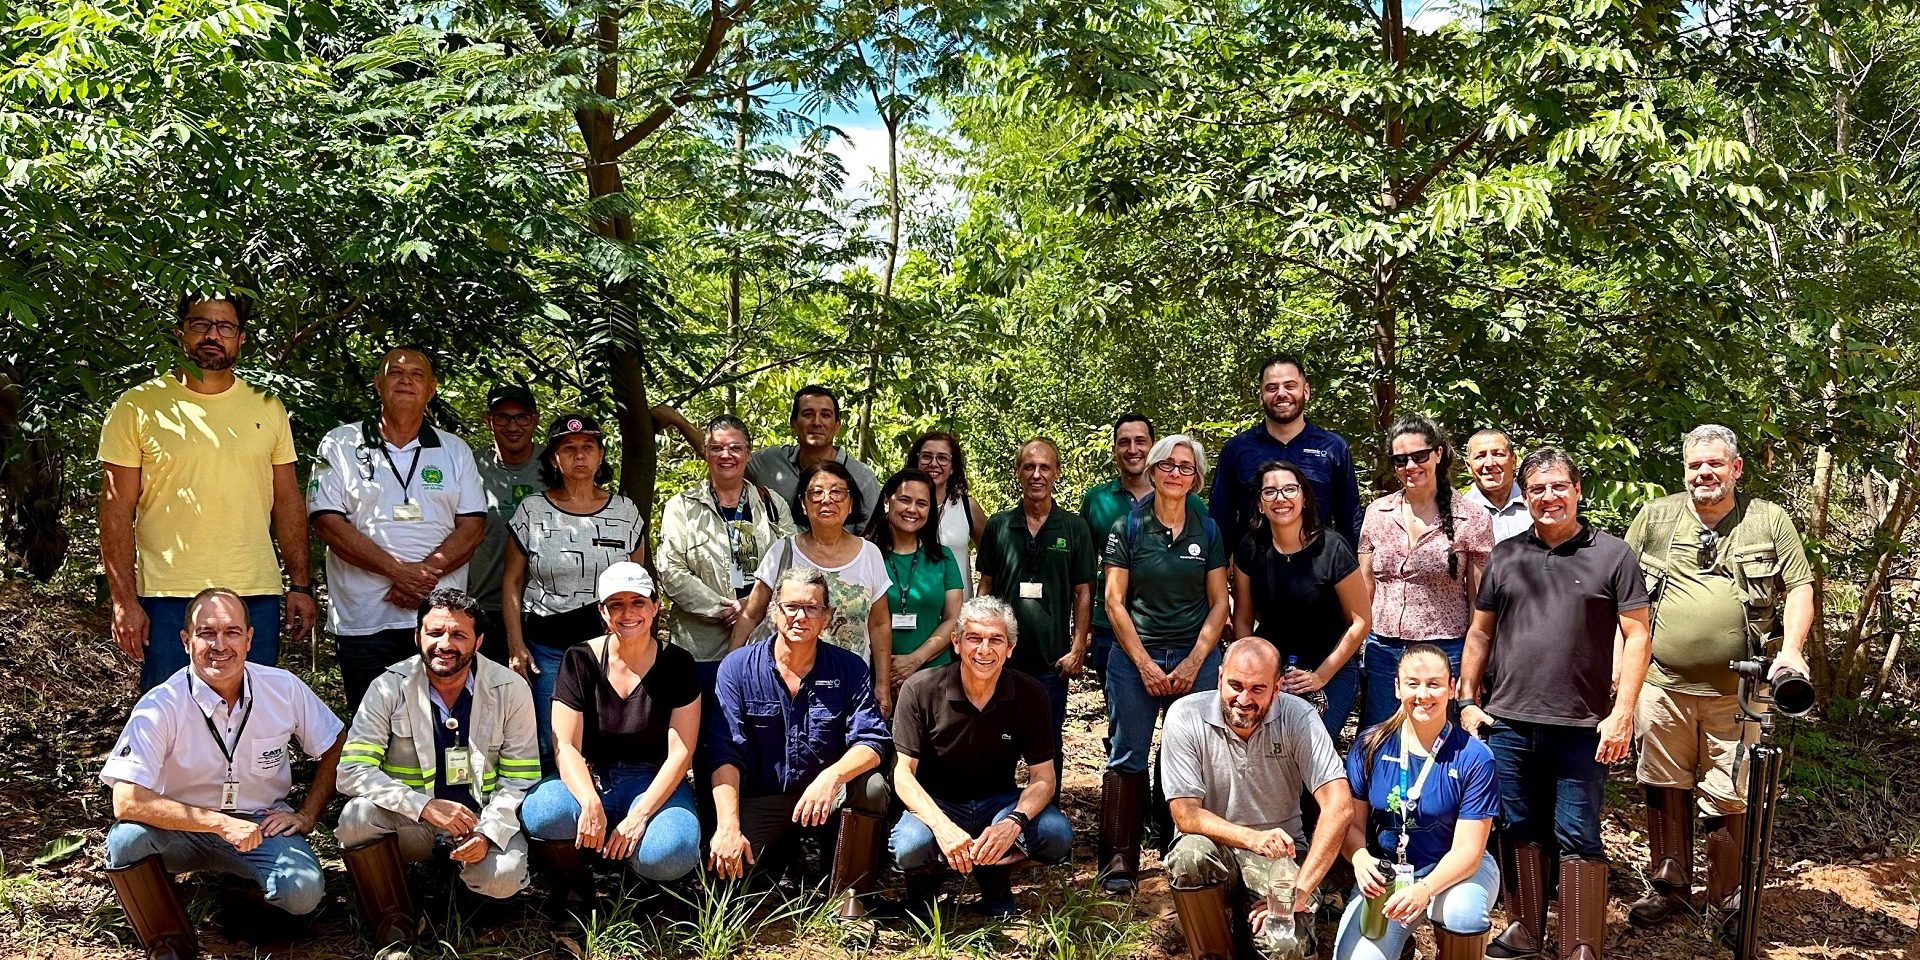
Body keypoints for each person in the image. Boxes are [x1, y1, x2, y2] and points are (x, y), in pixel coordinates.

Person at [1459, 447, 1652, 960]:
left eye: (1558, 487)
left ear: (1577, 491)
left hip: (1583, 724)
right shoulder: (1507, 556)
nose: (1548, 497)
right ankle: (1525, 932)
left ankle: (1581, 943)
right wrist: (1466, 699)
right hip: (1508, 722)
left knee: (1577, 832)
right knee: (1519, 826)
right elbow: (1480, 634)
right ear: (1527, 496)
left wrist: (1623, 714)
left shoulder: (1613, 555)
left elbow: (1637, 636)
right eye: (1537, 489)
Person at [1621, 424, 1813, 934]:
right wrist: (1620, 677)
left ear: (1736, 468)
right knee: (1662, 782)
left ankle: (1727, 899)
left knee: (1730, 792)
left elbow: (1799, 588)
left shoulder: (1767, 521)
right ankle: (1670, 890)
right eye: (1694, 465)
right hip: (1661, 686)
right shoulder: (1655, 518)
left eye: (1714, 463)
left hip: (1740, 692)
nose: (1703, 473)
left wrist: (1791, 648)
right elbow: (1618, 591)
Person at [100, 588, 344, 960]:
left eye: (231, 632)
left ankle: (241, 891)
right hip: (181, 828)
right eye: (206, 633)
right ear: (186, 641)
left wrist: (307, 814)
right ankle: (167, 936)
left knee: (302, 891)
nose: (219, 645)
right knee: (126, 842)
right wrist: (218, 824)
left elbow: (336, 743)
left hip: (258, 824)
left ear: (249, 639)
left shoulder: (282, 688)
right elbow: (126, 800)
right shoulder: (161, 703)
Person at [100, 294, 316, 693]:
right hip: (168, 595)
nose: (212, 335)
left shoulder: (267, 407)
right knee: (171, 719)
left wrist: (299, 585)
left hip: (254, 592)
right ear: (180, 331)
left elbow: (287, 501)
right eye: (200, 324)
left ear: (241, 338)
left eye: (225, 327)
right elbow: (116, 509)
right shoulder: (137, 406)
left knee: (253, 713)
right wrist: (123, 601)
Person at [334, 590, 538, 951]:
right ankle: (394, 920)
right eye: (434, 633)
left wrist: (489, 833)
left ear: (478, 641)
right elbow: (351, 770)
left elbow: (520, 778)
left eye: (458, 635)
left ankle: (462, 903)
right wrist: (423, 806)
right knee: (356, 817)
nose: (445, 644)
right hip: (415, 822)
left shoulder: (510, 688)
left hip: (478, 820)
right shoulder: (387, 687)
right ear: (417, 636)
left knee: (504, 878)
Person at [707, 566, 893, 918]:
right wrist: (728, 827)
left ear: (827, 617)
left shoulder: (849, 668)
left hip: (828, 798)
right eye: (791, 606)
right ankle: (782, 859)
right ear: (774, 611)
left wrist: (830, 778)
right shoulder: (736, 668)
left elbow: (872, 741)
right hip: (764, 796)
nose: (800, 617)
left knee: (871, 787)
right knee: (731, 891)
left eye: (812, 608)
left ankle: (849, 894)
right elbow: (723, 752)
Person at [310, 347, 486, 711]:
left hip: (440, 622)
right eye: (396, 372)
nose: (406, 380)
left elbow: (472, 526)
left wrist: (422, 577)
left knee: (441, 718)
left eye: (417, 374)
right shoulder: (340, 443)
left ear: (432, 388)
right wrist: (398, 573)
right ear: (378, 384)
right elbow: (327, 522)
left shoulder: (454, 450)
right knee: (372, 722)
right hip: (363, 619)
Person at [1159, 638, 1350, 960]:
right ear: (1219, 677)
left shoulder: (1299, 717)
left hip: (1279, 856)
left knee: (1287, 946)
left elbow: (1340, 805)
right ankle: (1212, 951)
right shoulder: (1185, 715)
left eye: (1258, 689)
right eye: (1235, 685)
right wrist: (1253, 838)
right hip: (1214, 844)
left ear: (1277, 688)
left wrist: (1300, 890)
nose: (1243, 699)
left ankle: (1251, 938)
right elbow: (1186, 815)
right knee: (1189, 856)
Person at [520, 564, 702, 902]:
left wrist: (640, 815)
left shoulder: (678, 663)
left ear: (654, 606)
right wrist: (588, 800)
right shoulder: (580, 659)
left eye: (638, 602)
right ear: (602, 611)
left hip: (652, 781)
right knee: (543, 810)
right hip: (594, 776)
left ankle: (632, 880)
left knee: (672, 852)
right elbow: (565, 746)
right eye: (616, 604)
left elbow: (681, 752)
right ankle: (576, 885)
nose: (628, 612)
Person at [1097, 434, 1229, 894]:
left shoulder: (1208, 529)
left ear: (1197, 479)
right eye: (1167, 465)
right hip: (1135, 657)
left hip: (1195, 657)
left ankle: (1184, 852)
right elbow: (1114, 603)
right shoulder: (1126, 527)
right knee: (1127, 754)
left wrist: (1196, 660)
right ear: (1151, 471)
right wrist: (1144, 663)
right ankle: (1119, 860)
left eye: (1186, 467)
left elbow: (1219, 604)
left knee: (1193, 756)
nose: (1176, 473)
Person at [888, 596, 1074, 918]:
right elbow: (902, 774)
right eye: (974, 638)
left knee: (1056, 835)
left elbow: (1043, 778)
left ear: (1010, 648)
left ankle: (995, 880)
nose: (984, 649)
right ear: (956, 643)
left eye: (995, 639)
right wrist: (943, 827)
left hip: (998, 802)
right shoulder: (921, 689)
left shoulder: (1031, 694)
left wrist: (1014, 823)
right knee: (909, 847)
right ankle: (926, 886)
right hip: (937, 802)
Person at [1332, 643, 1500, 960]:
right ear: (1397, 687)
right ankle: (1401, 945)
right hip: (1389, 875)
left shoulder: (1475, 757)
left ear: (1452, 688)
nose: (1423, 694)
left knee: (1462, 914)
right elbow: (1351, 825)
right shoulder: (1369, 746)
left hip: (1454, 870)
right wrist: (1360, 858)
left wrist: (1425, 889)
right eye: (1413, 683)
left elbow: (1468, 850)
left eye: (1434, 684)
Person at [500, 414, 647, 768]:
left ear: (600, 456)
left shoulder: (625, 511)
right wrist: (516, 645)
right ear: (554, 458)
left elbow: (638, 581)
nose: (579, 455)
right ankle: (556, 813)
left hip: (610, 646)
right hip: (547, 646)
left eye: (588, 447)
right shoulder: (532, 511)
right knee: (553, 738)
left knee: (607, 732)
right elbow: (511, 582)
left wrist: (642, 647)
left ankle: (606, 804)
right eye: (569, 448)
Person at [1356, 415, 1493, 731]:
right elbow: (1365, 589)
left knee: (1443, 744)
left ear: (1438, 454)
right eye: (1400, 459)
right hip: (1383, 651)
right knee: (1379, 741)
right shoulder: (1377, 513)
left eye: (1419, 456)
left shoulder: (1471, 518)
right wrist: (1359, 647)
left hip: (1446, 651)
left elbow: (1480, 603)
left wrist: (1475, 671)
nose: (1410, 466)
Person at [729, 460, 895, 712]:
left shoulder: (869, 554)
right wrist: (729, 672)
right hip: (784, 686)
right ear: (803, 504)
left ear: (850, 503)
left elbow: (879, 623)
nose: (826, 499)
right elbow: (751, 614)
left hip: (848, 687)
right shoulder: (782, 551)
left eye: (837, 492)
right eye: (816, 492)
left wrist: (881, 685)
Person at [975, 437, 1095, 779]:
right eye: (1029, 466)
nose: (1037, 474)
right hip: (1001, 661)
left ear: (1057, 472)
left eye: (1045, 467)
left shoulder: (1073, 528)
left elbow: (1083, 592)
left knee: (1047, 745)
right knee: (997, 741)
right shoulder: (999, 525)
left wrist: (1076, 649)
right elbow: (987, 584)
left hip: (1051, 663)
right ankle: (997, 816)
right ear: (1018, 472)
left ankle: (1044, 822)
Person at [1230, 460, 1370, 738]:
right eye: (1270, 492)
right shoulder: (1250, 548)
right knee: (1266, 751)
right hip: (1270, 672)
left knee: (1310, 750)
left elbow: (1361, 621)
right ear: (1260, 504)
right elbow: (1243, 619)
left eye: (1289, 490)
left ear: (1304, 498)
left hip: (1330, 668)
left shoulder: (1332, 548)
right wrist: (1250, 672)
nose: (1280, 498)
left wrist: (1320, 675)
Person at [658, 415, 796, 694]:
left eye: (735, 448)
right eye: (717, 448)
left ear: (748, 452)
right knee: (701, 725)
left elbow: (792, 564)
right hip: (699, 647)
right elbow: (671, 571)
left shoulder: (771, 504)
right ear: (705, 453)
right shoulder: (682, 507)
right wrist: (724, 608)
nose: (726, 455)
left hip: (763, 639)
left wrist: (751, 605)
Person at [1080, 413, 1206, 685]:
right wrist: (1083, 629)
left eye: (1141, 441)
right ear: (1114, 449)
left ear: (1154, 447)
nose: (1133, 449)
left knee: (1183, 723)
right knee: (1125, 718)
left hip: (1177, 635)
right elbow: (1084, 571)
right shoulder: (1096, 500)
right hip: (1109, 627)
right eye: (1124, 442)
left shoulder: (1189, 501)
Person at [1211, 354, 1362, 547]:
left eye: (1290, 386)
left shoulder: (1333, 447)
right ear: (1261, 396)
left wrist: (1351, 567)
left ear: (1306, 391)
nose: (1281, 394)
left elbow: (1349, 518)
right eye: (1272, 388)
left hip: (1319, 568)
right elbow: (1220, 517)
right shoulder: (1236, 449)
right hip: (1252, 570)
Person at [868, 469, 965, 693]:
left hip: (934, 676)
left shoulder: (943, 557)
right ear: (886, 502)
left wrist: (915, 659)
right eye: (904, 500)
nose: (912, 509)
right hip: (874, 677)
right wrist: (886, 671)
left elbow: (954, 618)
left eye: (922, 503)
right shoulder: (865, 555)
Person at [467, 385, 543, 663]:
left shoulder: (554, 465)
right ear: (489, 421)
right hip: (483, 604)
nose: (513, 426)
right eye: (502, 417)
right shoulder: (470, 466)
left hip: (542, 606)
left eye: (521, 417)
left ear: (534, 420)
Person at [747, 384, 882, 533]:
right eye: (807, 414)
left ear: (837, 425)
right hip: (777, 554)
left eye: (825, 415)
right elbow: (725, 466)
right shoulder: (769, 461)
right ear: (793, 423)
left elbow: (870, 537)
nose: (817, 422)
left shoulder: (862, 476)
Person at [907, 431, 989, 598]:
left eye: (942, 458)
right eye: (926, 456)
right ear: (916, 461)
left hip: (960, 614)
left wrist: (980, 602)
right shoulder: (902, 509)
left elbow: (992, 561)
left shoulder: (967, 507)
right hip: (912, 614)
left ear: (953, 467)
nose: (934, 464)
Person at [1463, 428, 1530, 544]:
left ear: (1513, 461)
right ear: (1469, 466)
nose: (1489, 463)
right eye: (1480, 456)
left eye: (1498, 454)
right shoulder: (1458, 513)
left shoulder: (1536, 503)